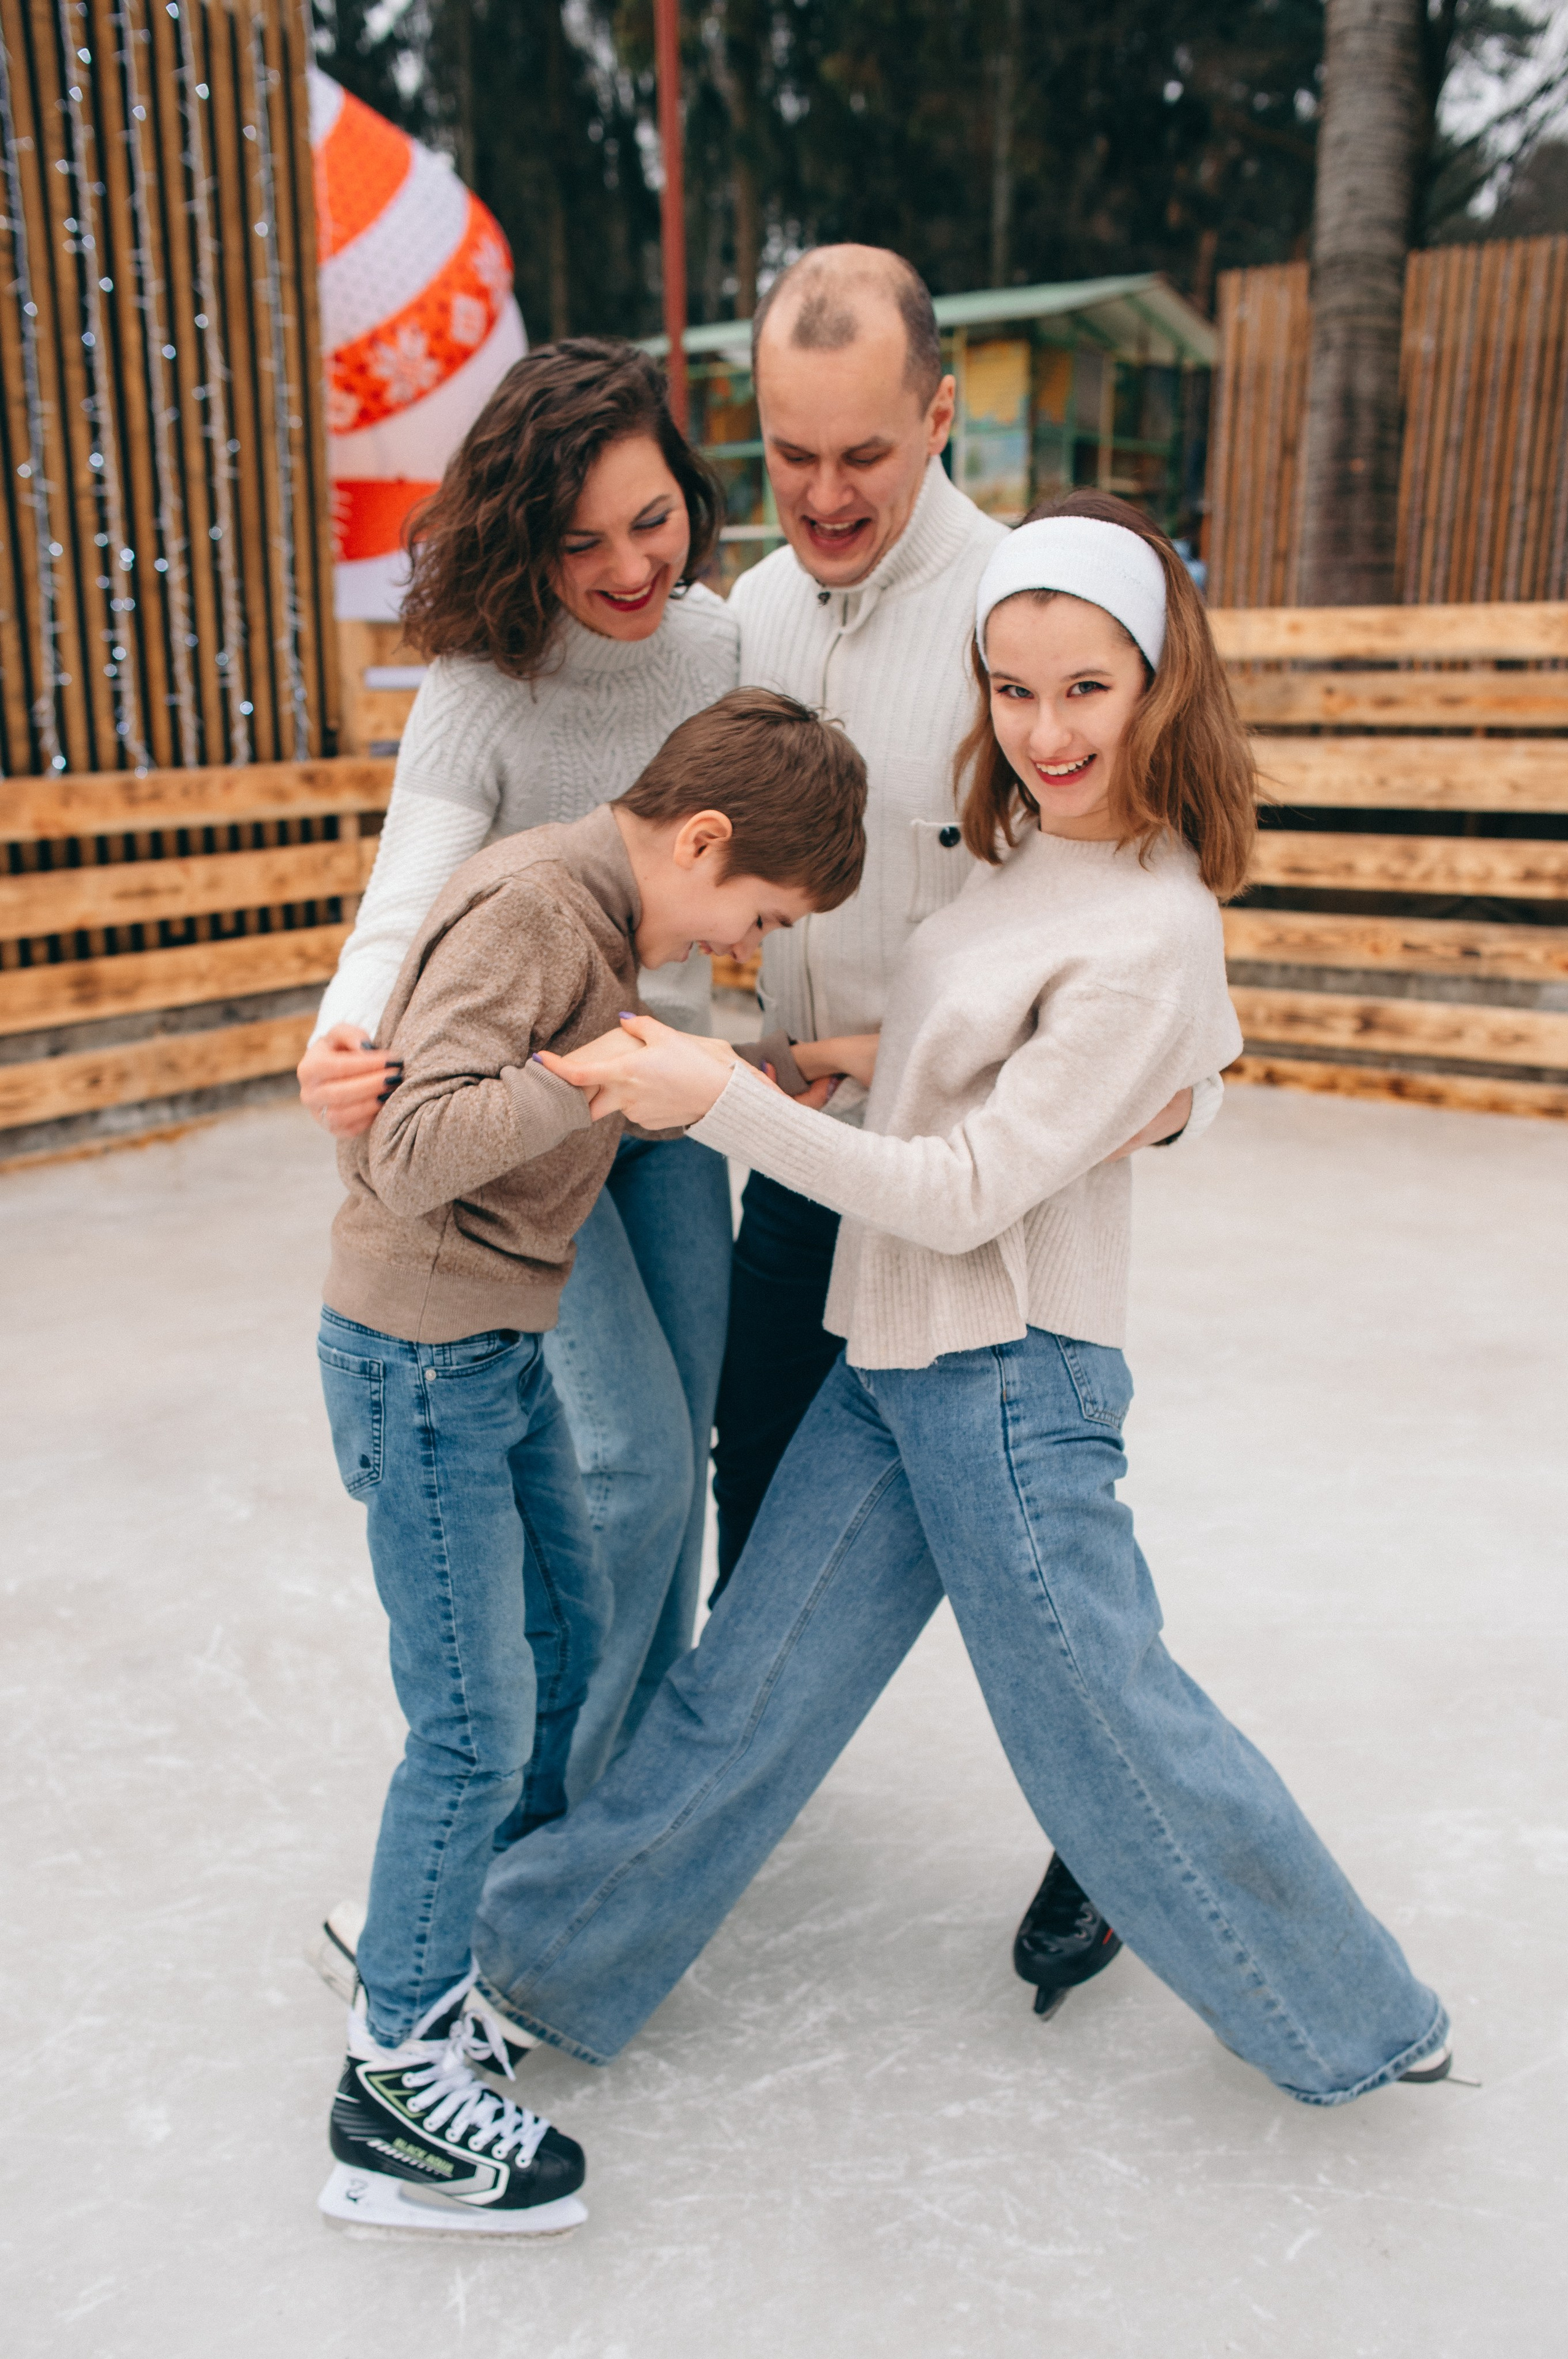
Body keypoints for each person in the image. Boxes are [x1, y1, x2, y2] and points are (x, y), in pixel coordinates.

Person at [470, 499, 1452, 2109]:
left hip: (1007, 1383)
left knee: (1108, 1732)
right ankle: (524, 1970)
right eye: (1014, 687)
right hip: (895, 1354)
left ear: (1156, 680)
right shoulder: (1016, 856)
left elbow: (971, 1184)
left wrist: (719, 1092)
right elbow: (977, 1052)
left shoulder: (1151, 922)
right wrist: (872, 1058)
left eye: (1086, 687)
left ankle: (1360, 2018)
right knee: (745, 1698)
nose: (1046, 727)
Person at [718, 245, 1214, 2011]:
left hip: (997, 1192)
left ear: (938, 412)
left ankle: (1111, 1837)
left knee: (1042, 1550)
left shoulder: (1032, 623)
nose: (829, 494)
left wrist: (1160, 1095)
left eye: (865, 451)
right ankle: (716, 1809)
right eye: (790, 453)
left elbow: (1158, 904)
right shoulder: (746, 619)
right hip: (798, 1158)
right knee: (756, 1480)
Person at [315, 690, 869, 2234]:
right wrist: (582, 1074)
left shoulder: (602, 921)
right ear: (698, 839)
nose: (731, 944)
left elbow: (590, 1071)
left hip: (485, 1353)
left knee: (559, 1646)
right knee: (473, 1727)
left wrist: (748, 1066)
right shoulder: (530, 907)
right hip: (421, 1360)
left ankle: (459, 1955)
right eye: (751, 912)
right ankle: (391, 2082)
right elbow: (410, 1146)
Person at [298, 341, 742, 1797]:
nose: (628, 565)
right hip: (529, 1122)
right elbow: (403, 898)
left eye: (652, 519)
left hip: (669, 1107)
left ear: (686, 490)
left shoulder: (721, 648)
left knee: (681, 1460)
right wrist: (344, 1039)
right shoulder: (484, 687)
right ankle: (547, 1802)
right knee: (625, 1464)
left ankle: (634, 1779)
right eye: (581, 541)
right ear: (520, 536)